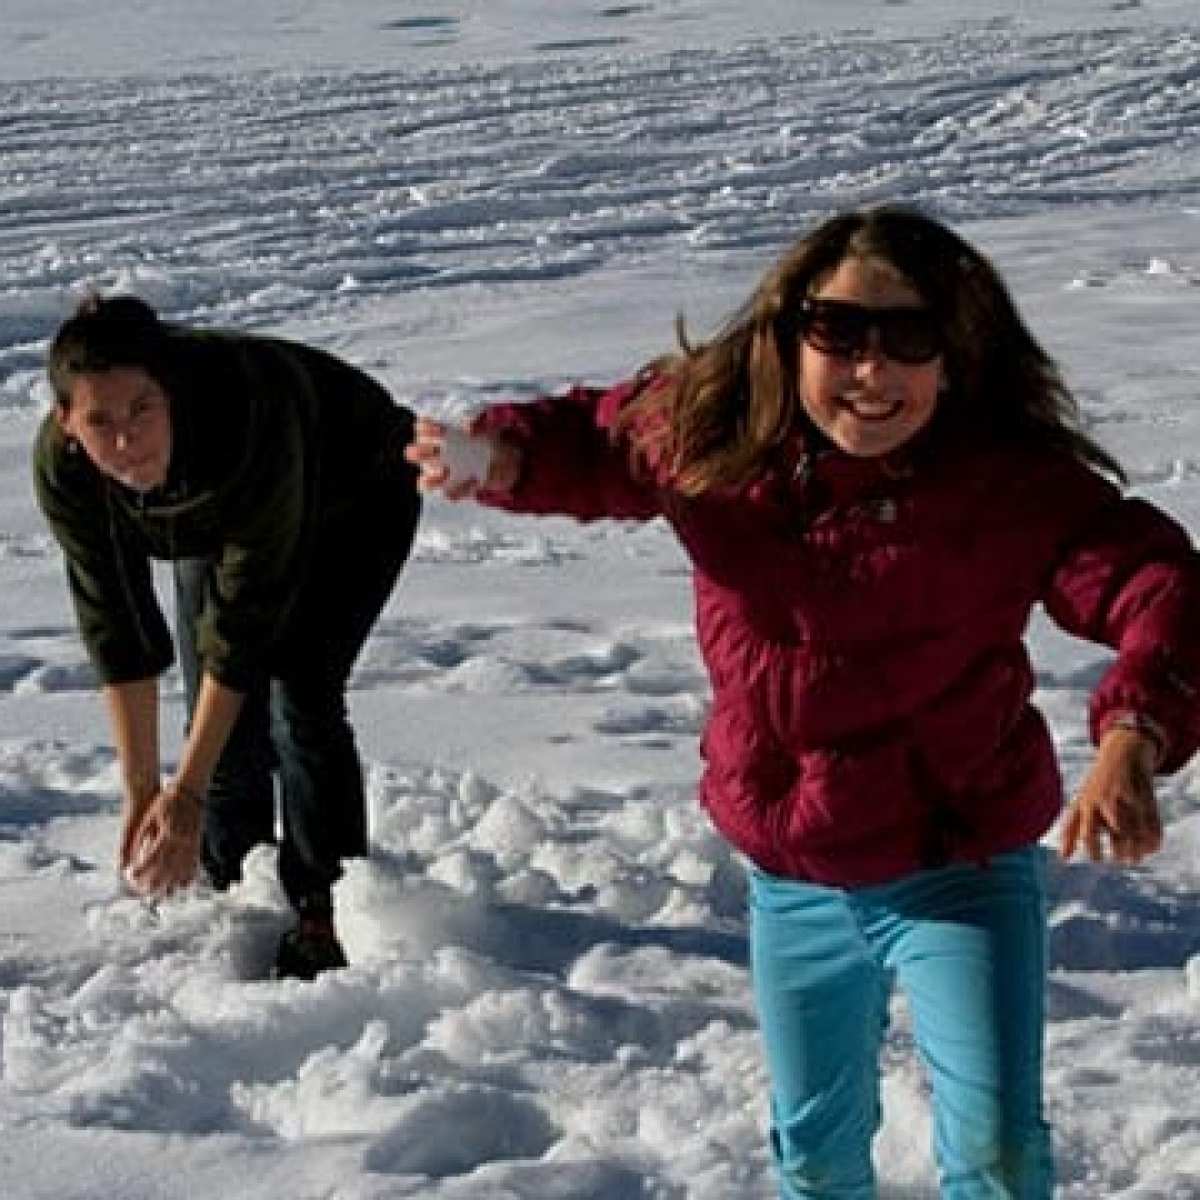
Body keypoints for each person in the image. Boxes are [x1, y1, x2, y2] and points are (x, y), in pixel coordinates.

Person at [405, 205, 1200, 1198]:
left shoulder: (1005, 485)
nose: (873, 371)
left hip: (958, 861)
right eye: (841, 334)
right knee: (816, 1156)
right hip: (796, 872)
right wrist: (505, 455)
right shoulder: (710, 430)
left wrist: (1134, 734)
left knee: (995, 1150)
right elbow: (600, 439)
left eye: (911, 340)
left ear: (954, 358)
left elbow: (1158, 587)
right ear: (791, 334)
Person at [35, 294, 422, 980]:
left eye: (141, 411)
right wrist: (141, 790)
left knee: (297, 690)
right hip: (218, 515)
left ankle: (321, 906)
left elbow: (241, 635)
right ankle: (230, 879)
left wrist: (181, 795)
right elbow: (117, 627)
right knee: (211, 718)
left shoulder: (245, 415)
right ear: (67, 425)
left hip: (354, 487)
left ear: (171, 397)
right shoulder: (68, 472)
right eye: (100, 421)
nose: (125, 441)